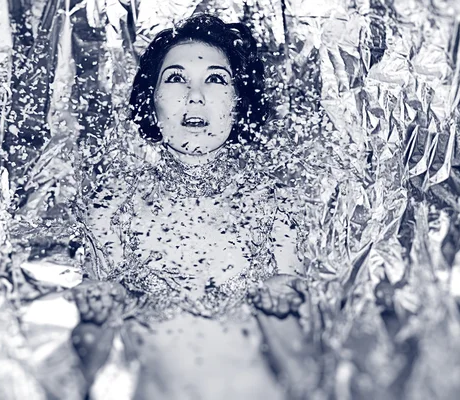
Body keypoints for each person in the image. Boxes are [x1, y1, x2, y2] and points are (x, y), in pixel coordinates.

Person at [74, 14, 312, 400]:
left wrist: (277, 311)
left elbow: (303, 371)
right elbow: (80, 366)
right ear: (151, 101)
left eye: (216, 79)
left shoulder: (274, 203)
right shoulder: (112, 205)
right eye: (175, 77)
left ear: (238, 104)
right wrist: (96, 316)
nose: (195, 95)